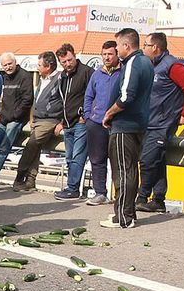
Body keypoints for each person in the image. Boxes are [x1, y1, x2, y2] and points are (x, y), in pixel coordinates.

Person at [95, 28, 153, 228]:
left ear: (127, 45)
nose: (117, 49)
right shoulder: (146, 62)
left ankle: (123, 217)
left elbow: (127, 96)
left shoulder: (133, 63)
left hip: (125, 125)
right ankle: (129, 213)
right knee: (130, 170)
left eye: (118, 45)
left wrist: (109, 113)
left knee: (122, 172)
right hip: (138, 124)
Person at [135, 32, 184, 212]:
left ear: (155, 47)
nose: (143, 48)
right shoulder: (151, 65)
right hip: (150, 121)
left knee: (147, 161)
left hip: (163, 123)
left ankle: (142, 196)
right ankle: (159, 199)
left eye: (146, 45)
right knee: (157, 160)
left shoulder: (172, 65)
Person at [51, 43, 94, 200]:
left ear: (75, 56)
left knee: (77, 156)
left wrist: (86, 115)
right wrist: (60, 121)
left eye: (70, 60)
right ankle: (71, 186)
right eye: (64, 62)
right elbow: (61, 100)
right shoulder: (62, 76)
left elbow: (94, 95)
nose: (68, 64)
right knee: (69, 157)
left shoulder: (87, 72)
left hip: (81, 122)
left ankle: (73, 188)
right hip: (67, 122)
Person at [0, 52, 32, 185]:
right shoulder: (5, 77)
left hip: (16, 119)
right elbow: (3, 99)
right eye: (5, 65)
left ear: (15, 62)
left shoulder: (25, 76)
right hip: (4, 118)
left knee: (4, 148)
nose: (8, 67)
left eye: (10, 64)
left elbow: (27, 101)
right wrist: (0, 113)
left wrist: (13, 116)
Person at [81, 40, 121, 207]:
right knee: (97, 160)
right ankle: (100, 193)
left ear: (117, 54)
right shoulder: (97, 74)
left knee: (118, 161)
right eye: (104, 54)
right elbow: (89, 96)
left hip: (116, 123)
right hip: (96, 123)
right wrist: (88, 117)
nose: (107, 57)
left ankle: (121, 195)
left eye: (110, 54)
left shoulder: (124, 72)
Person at [12, 52, 60, 190]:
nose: (37, 68)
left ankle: (20, 176)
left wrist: (61, 122)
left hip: (49, 119)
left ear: (48, 66)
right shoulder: (42, 79)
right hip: (38, 119)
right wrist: (32, 118)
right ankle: (30, 180)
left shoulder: (59, 79)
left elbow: (64, 101)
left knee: (31, 145)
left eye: (39, 65)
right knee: (35, 148)